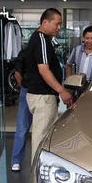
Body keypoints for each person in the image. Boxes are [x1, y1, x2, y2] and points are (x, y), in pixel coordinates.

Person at [25, 8, 72, 159]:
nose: (59, 28)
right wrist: (61, 90)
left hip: (38, 95)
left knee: (42, 136)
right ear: (45, 22)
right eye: (56, 24)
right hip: (43, 97)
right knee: (41, 139)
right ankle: (37, 177)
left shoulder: (39, 39)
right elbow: (44, 69)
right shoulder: (42, 40)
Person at [10, 49, 32, 172]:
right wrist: (23, 87)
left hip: (38, 91)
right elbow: (17, 73)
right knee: (22, 129)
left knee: (23, 129)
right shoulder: (25, 53)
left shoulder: (45, 51)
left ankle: (16, 161)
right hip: (29, 90)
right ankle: (16, 160)